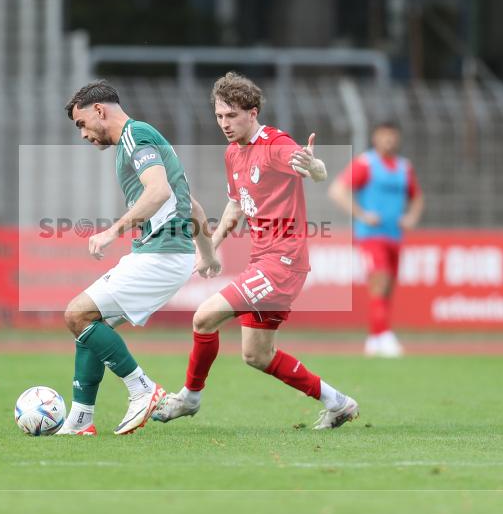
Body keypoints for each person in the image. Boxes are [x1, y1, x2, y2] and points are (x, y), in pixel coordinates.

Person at [152, 72, 359, 430]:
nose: (224, 124)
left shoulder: (274, 144)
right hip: (263, 261)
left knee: (203, 317)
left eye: (231, 116)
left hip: (282, 263)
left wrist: (313, 164)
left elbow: (316, 170)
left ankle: (189, 397)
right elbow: (236, 206)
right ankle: (338, 402)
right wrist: (210, 251)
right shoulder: (233, 154)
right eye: (219, 116)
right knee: (256, 355)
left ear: (252, 112)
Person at [58, 80, 220, 436]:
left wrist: (112, 230)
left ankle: (142, 389)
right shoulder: (137, 141)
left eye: (81, 123)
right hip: (165, 254)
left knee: (77, 314)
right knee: (89, 328)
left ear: (99, 110)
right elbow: (188, 202)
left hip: (160, 255)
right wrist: (207, 253)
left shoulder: (135, 135)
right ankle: (80, 420)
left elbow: (160, 191)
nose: (83, 135)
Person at [329, 120, 424, 357]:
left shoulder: (404, 167)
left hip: (395, 235)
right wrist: (361, 214)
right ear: (375, 138)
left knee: (388, 287)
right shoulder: (366, 163)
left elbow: (418, 197)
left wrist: (411, 218)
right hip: (372, 236)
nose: (389, 140)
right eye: (384, 136)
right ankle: (384, 335)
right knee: (379, 282)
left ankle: (375, 338)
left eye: (392, 136)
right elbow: (338, 190)